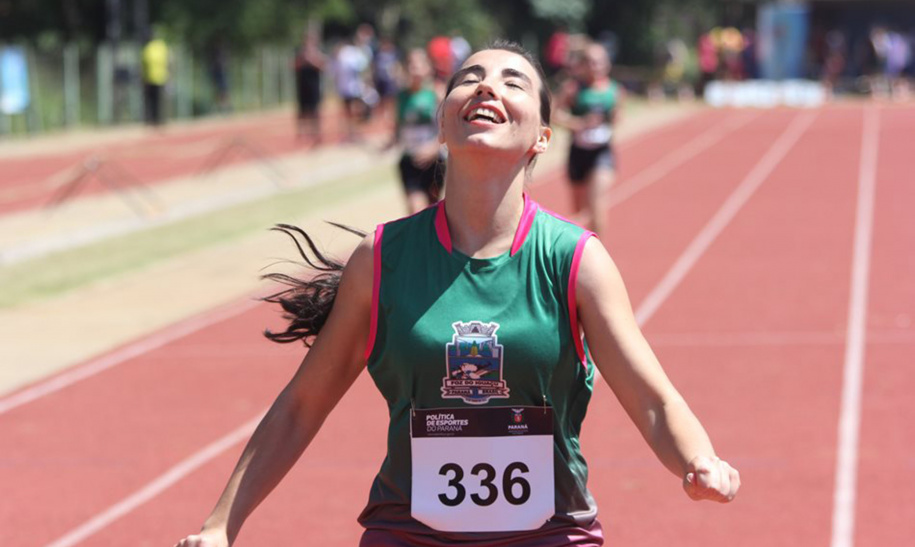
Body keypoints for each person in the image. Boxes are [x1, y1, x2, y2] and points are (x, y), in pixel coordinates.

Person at [175, 40, 739, 547]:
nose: (487, 85)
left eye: (513, 81)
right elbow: (302, 406)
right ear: (443, 124)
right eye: (469, 78)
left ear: (543, 137)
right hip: (407, 535)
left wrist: (698, 459)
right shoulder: (382, 259)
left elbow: (654, 400)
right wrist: (220, 526)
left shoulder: (574, 260)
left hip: (549, 536)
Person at [553, 41, 623, 238]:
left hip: (602, 153)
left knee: (597, 202)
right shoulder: (573, 89)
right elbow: (555, 115)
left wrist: (610, 121)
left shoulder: (614, 90)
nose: (596, 66)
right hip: (577, 153)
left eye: (601, 62)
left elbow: (618, 116)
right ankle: (581, 247)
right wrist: (579, 123)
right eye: (592, 62)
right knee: (579, 210)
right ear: (583, 64)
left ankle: (597, 252)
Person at [383, 48, 445, 214]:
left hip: (434, 163)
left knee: (432, 212)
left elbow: (447, 129)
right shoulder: (400, 97)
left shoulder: (437, 94)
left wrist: (433, 148)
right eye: (411, 64)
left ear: (428, 68)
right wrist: (388, 144)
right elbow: (398, 128)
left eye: (419, 64)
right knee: (415, 209)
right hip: (409, 161)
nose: (415, 69)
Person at [293, 28, 327, 144]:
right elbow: (293, 66)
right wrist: (303, 59)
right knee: (302, 110)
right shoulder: (299, 52)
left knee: (315, 110)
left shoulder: (318, 52)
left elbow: (323, 66)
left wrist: (311, 60)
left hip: (314, 85)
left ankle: (316, 133)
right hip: (302, 85)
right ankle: (301, 133)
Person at [141, 31, 169, 126]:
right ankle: (160, 119)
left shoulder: (148, 48)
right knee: (160, 101)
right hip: (161, 77)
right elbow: (168, 61)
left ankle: (151, 119)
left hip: (150, 78)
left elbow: (144, 64)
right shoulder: (162, 46)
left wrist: (143, 77)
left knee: (151, 101)